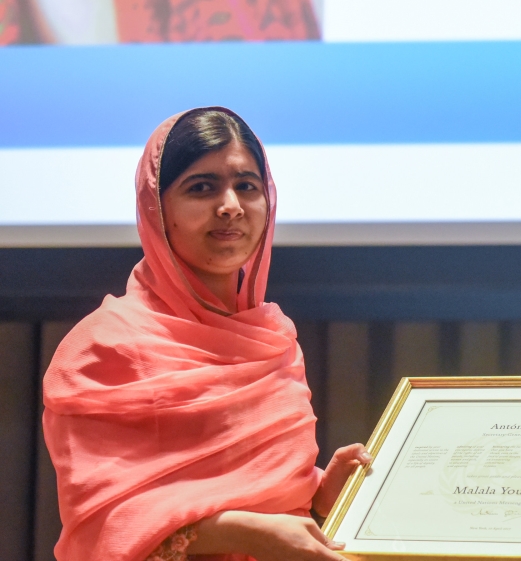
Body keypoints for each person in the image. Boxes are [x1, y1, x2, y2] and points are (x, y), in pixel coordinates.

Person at [42, 107, 368, 561]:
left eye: (247, 186)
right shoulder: (102, 347)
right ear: (156, 207)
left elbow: (260, 497)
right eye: (201, 187)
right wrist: (245, 532)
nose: (231, 205)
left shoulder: (273, 338)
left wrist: (320, 496)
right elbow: (104, 524)